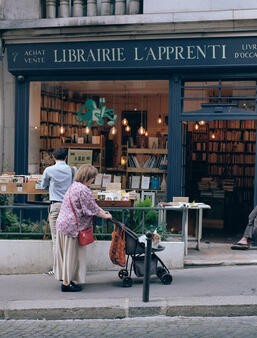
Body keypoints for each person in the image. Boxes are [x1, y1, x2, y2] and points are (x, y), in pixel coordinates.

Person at [54, 163, 112, 292]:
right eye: (93, 178)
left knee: (65, 254)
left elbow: (91, 205)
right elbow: (91, 208)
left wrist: (102, 211)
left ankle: (65, 278)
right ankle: (66, 284)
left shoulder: (74, 186)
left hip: (63, 224)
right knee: (72, 255)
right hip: (72, 227)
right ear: (88, 177)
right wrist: (106, 216)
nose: (93, 180)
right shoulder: (84, 190)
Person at [41, 148, 75, 274]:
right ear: (66, 157)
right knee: (68, 238)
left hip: (55, 205)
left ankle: (57, 269)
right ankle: (68, 267)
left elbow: (43, 186)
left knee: (56, 239)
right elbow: (74, 186)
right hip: (69, 207)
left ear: (53, 157)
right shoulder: (73, 170)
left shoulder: (49, 170)